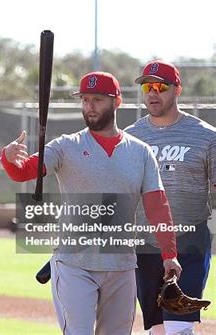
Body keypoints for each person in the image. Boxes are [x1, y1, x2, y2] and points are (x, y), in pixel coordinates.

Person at [1, 71, 182, 335]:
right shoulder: (65, 146)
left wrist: (169, 255)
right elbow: (22, 171)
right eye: (85, 100)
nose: (89, 106)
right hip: (74, 264)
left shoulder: (140, 152)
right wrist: (9, 158)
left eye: (97, 99)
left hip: (121, 266)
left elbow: (157, 207)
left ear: (116, 101)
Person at [125, 60, 215, 335]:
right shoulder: (130, 138)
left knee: (178, 328)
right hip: (147, 244)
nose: (153, 93)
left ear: (177, 90)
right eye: (148, 87)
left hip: (189, 241)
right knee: (158, 330)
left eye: (161, 86)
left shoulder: (206, 136)